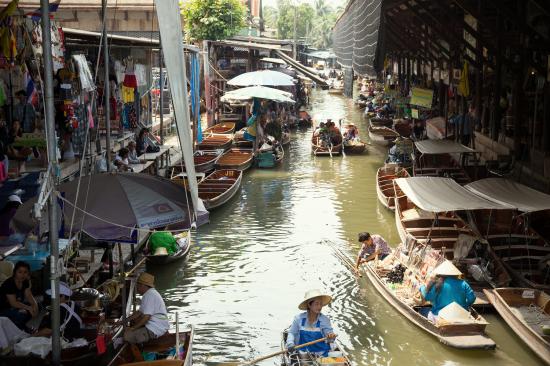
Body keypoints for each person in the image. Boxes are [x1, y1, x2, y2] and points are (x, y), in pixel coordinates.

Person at [285, 289, 337, 356]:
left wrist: (331, 337)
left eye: (321, 304)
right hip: (303, 354)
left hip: (322, 354)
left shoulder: (325, 320)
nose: (319, 307)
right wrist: (290, 344)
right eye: (316, 304)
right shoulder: (298, 319)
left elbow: (330, 338)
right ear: (309, 305)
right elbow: (292, 333)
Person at [122, 272, 169, 344]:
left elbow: (146, 317)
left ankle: (141, 346)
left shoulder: (149, 295)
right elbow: (139, 312)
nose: (137, 288)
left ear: (142, 285)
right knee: (133, 322)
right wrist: (125, 320)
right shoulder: (149, 293)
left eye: (138, 285)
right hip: (159, 325)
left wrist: (133, 328)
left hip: (155, 328)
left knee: (127, 336)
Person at [0, 261, 38, 330]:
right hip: (3, 309)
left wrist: (35, 306)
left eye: (25, 272)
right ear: (15, 272)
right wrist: (29, 308)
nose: (22, 275)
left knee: (38, 307)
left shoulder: (24, 281)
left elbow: (29, 296)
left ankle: (20, 326)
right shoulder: (9, 284)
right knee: (21, 315)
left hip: (15, 306)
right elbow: (13, 303)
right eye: (20, 272)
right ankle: (20, 329)